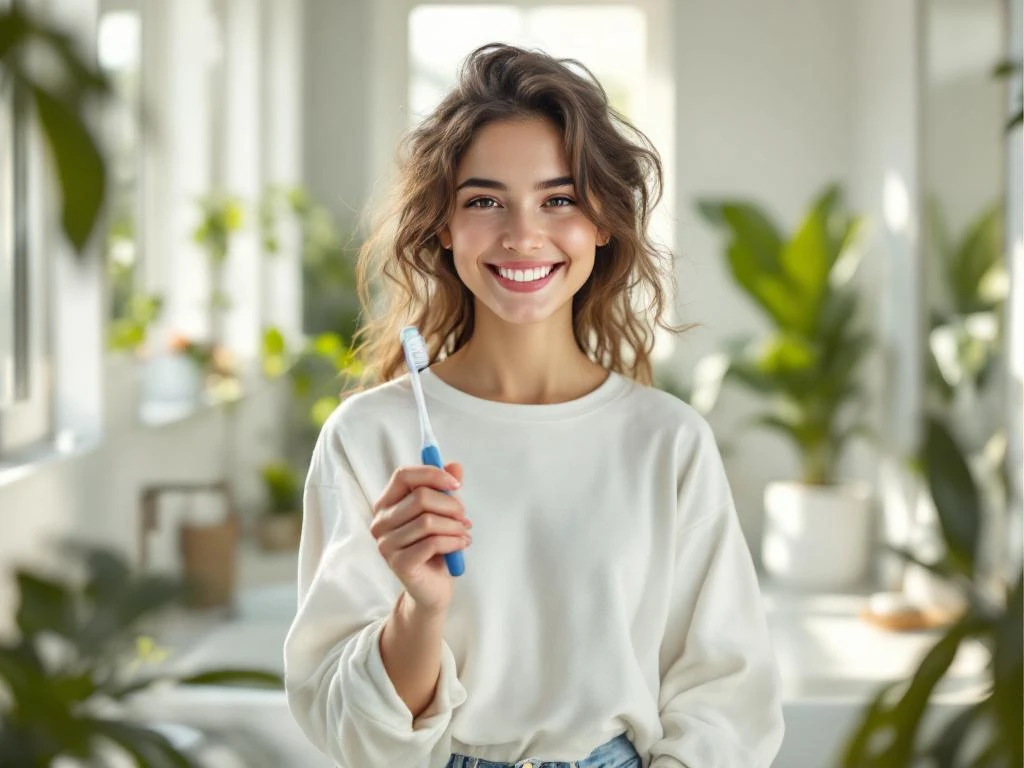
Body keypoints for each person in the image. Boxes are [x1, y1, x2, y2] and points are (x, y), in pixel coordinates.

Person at [284, 43, 784, 768]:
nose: (522, 235)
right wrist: (420, 606)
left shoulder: (668, 441)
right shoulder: (367, 438)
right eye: (485, 201)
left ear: (603, 221)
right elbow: (354, 732)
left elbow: (726, 695)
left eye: (559, 199)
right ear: (444, 226)